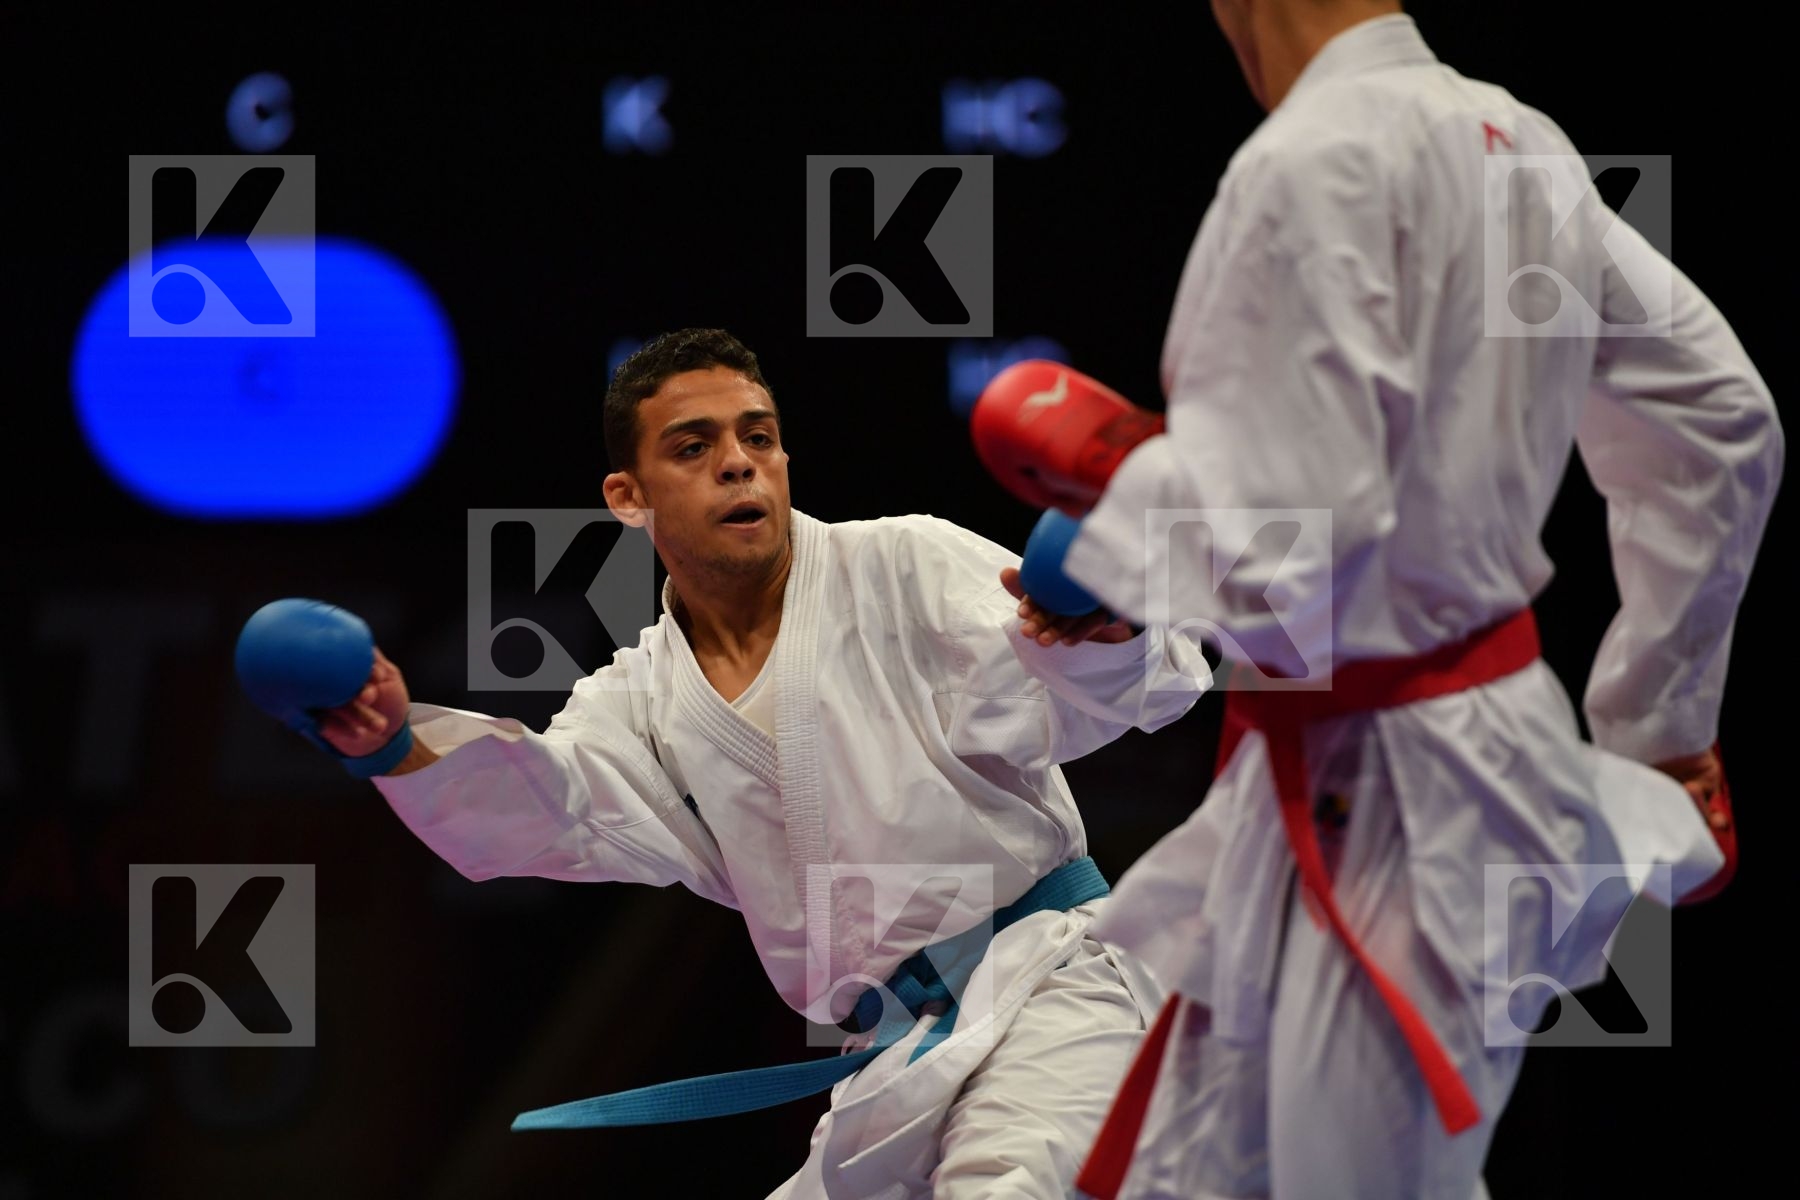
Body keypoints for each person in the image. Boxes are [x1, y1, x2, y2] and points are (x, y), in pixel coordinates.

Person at [984, 3, 1784, 1197]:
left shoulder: (1309, 162)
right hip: (1425, 764)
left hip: (1395, 811)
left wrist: (1122, 487)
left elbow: (1302, 555)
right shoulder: (1518, 142)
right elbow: (1722, 424)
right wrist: (1662, 733)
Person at [288, 328, 1214, 1198]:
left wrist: (1104, 627)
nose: (738, 460)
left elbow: (1093, 689)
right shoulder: (641, 701)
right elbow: (553, 807)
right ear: (628, 496)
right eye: (692, 447)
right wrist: (396, 746)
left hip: (1049, 995)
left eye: (757, 437)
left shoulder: (902, 563)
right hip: (894, 1058)